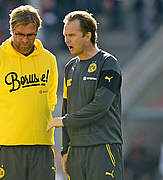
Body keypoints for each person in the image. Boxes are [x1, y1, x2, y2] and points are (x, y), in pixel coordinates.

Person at [0, 5, 58, 180]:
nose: (25, 40)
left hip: (41, 146)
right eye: (20, 34)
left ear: (37, 32)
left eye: (30, 35)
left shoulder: (49, 60)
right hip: (5, 147)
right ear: (11, 30)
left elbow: (50, 100)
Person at [47, 11, 123, 179]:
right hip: (76, 152)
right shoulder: (70, 67)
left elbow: (100, 106)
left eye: (72, 35)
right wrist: (65, 150)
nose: (67, 40)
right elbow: (66, 108)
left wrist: (65, 121)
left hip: (102, 147)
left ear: (88, 35)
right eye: (65, 35)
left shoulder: (108, 63)